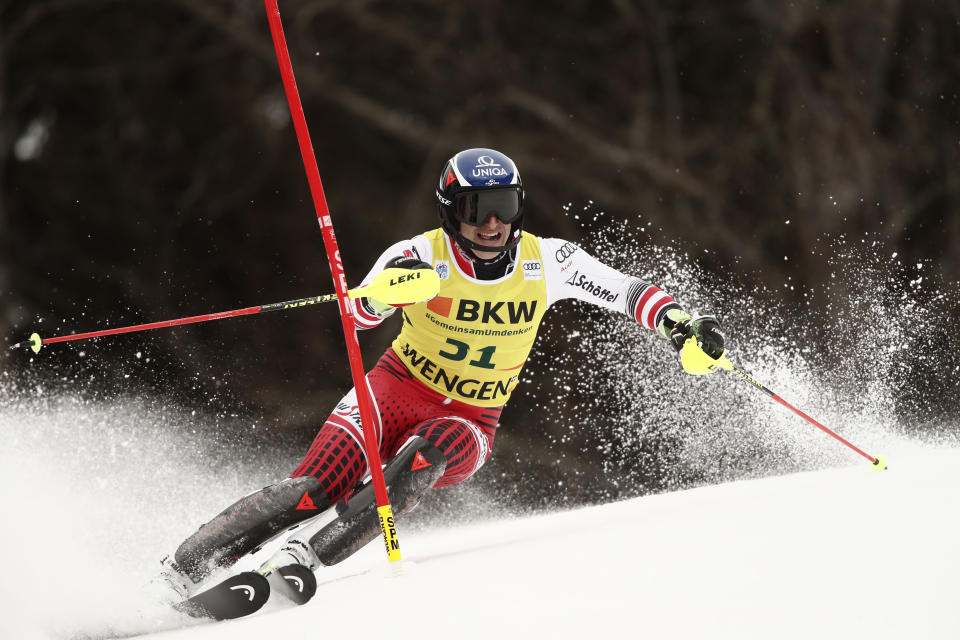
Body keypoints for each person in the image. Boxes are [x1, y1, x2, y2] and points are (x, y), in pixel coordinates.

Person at [155, 147, 726, 602]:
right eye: (477, 208)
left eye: (503, 204)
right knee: (314, 488)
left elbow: (626, 293)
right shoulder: (418, 254)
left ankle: (304, 559)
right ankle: (186, 571)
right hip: (394, 388)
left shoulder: (548, 261)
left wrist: (680, 324)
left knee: (423, 457)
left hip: (470, 419)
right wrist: (384, 295)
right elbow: (355, 316)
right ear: (453, 212)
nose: (493, 222)